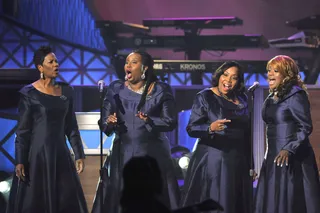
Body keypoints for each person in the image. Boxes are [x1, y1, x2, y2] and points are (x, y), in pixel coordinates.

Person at [91, 50, 180, 213]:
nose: (128, 66)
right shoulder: (115, 89)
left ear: (144, 68)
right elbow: (104, 126)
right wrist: (109, 122)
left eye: (133, 62)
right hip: (123, 155)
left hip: (152, 155)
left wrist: (150, 120)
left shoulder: (161, 89)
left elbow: (170, 122)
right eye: (127, 62)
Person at [6, 46, 88, 213]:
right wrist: (20, 160)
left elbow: (71, 125)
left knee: (65, 199)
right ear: (40, 68)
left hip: (61, 155)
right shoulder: (29, 94)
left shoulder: (66, 91)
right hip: (37, 157)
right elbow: (23, 131)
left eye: (56, 61)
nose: (56, 64)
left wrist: (79, 154)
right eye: (51, 61)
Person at [180, 61, 253, 213]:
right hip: (214, 160)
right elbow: (192, 128)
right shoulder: (205, 97)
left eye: (234, 77)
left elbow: (248, 134)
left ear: (239, 81)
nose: (228, 80)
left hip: (237, 160)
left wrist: (251, 163)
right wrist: (210, 128)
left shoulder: (244, 99)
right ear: (219, 76)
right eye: (225, 75)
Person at [254, 55, 320, 213]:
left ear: (286, 74)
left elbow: (305, 126)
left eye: (276, 71)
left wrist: (289, 148)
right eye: (269, 70)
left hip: (292, 157)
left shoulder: (295, 95)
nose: (270, 74)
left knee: (289, 200)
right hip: (273, 156)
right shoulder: (271, 97)